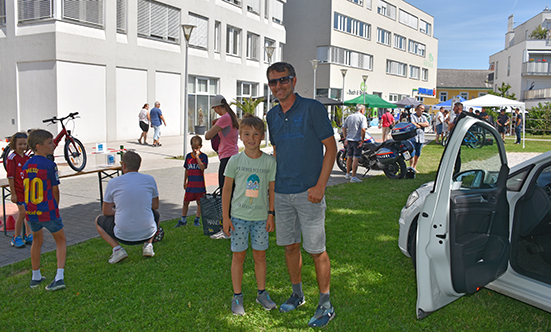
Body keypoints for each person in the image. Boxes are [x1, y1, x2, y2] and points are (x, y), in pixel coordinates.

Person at [266, 62, 337, 328]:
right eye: (273, 82)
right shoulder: (272, 116)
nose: (278, 86)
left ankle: (326, 304)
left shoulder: (313, 109)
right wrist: (272, 198)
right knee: (290, 246)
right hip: (283, 193)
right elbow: (277, 153)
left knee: (316, 250)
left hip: (309, 193)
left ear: (294, 81)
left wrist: (320, 186)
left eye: (283, 80)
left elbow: (331, 148)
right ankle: (297, 294)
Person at [221, 114, 277, 315]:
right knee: (238, 256)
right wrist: (225, 217)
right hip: (238, 218)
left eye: (256, 134)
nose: (251, 138)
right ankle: (237, 296)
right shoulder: (234, 161)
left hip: (261, 219)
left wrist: (271, 214)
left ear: (262, 137)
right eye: (246, 133)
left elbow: (271, 190)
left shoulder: (270, 163)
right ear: (240, 136)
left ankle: (262, 293)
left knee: (260, 256)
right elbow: (226, 190)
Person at [95, 151, 161, 263]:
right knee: (156, 215)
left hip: (122, 235)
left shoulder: (113, 182)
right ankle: (148, 245)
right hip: (147, 233)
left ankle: (117, 249)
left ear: (123, 165)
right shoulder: (150, 179)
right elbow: (155, 205)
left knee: (98, 220)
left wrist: (120, 211)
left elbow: (106, 211)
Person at [23, 129, 67, 291]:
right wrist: (55, 206)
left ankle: (35, 276)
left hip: (32, 211)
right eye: (49, 143)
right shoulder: (49, 165)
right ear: (38, 146)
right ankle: (59, 276)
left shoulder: (27, 165)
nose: (53, 144)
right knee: (61, 240)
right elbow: (55, 190)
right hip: (48, 210)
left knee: (37, 240)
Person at [205, 94, 239, 240]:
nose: (216, 112)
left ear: (218, 107)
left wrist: (215, 125)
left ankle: (227, 230)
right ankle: (234, 227)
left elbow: (207, 136)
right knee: (233, 194)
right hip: (233, 156)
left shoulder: (224, 118)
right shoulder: (232, 117)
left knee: (226, 194)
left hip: (226, 159)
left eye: (215, 109)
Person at [175, 135, 207, 227]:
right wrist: (184, 181)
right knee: (185, 202)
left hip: (200, 185)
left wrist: (197, 158)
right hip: (190, 185)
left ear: (200, 147)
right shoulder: (188, 156)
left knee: (199, 202)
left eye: (196, 148)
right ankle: (183, 219)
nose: (194, 150)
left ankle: (197, 219)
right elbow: (186, 170)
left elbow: (202, 168)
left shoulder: (203, 157)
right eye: (193, 148)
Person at [7, 132, 32, 248]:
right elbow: (10, 177)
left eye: (24, 144)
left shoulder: (27, 157)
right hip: (18, 191)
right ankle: (16, 236)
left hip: (27, 190)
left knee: (28, 213)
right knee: (22, 213)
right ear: (14, 145)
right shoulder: (12, 158)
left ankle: (28, 234)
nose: (22, 147)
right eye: (20, 144)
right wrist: (13, 193)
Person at [342, 104, 367, 183]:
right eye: (364, 110)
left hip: (349, 139)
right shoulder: (362, 117)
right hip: (357, 140)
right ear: (361, 110)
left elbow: (344, 127)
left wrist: (345, 137)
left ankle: (347, 173)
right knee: (356, 158)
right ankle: (353, 177)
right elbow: (363, 129)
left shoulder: (350, 117)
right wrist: (362, 140)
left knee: (349, 157)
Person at [409, 104, 429, 172]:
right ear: (417, 109)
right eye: (421, 108)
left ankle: (414, 167)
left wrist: (418, 123)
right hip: (413, 138)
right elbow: (413, 124)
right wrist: (420, 124)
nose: (423, 110)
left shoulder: (424, 117)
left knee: (418, 153)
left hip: (421, 138)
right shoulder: (412, 116)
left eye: (423, 109)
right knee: (412, 153)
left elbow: (427, 124)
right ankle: (411, 167)